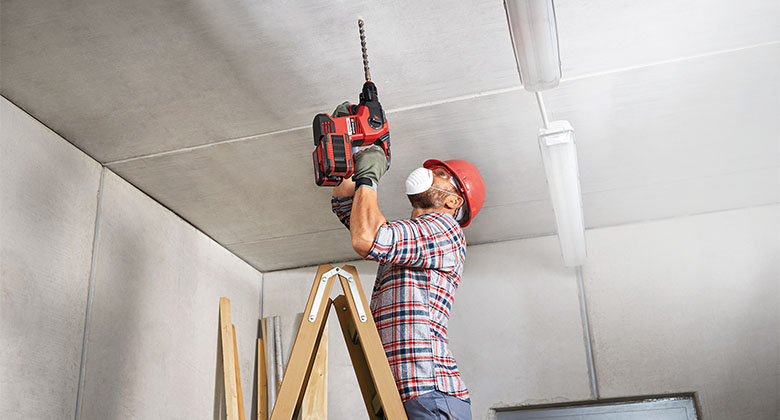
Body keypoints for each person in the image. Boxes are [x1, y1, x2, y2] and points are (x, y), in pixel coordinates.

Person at [331, 143, 485, 420]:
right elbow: (354, 214)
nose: (430, 172)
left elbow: (367, 239)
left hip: (430, 390)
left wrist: (369, 177)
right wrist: (344, 151)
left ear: (454, 201)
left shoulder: (445, 230)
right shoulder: (409, 240)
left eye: (441, 174)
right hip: (411, 390)